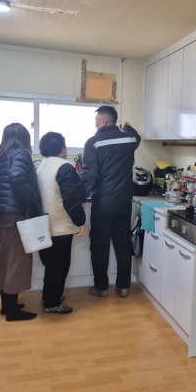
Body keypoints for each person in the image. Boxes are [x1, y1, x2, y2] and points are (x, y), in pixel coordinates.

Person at [80, 105, 141, 298]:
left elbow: (89, 173)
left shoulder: (93, 142)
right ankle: (123, 287)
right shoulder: (129, 139)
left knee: (100, 246)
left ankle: (101, 288)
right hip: (123, 202)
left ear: (104, 121)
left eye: (96, 120)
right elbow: (136, 136)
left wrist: (81, 197)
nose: (95, 124)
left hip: (102, 203)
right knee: (122, 244)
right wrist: (127, 126)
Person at [0, 123, 41, 321]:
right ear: (24, 137)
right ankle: (12, 313)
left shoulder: (1, 156)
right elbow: (17, 178)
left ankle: (7, 306)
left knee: (4, 260)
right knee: (16, 261)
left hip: (1, 215)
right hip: (15, 216)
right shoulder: (22, 153)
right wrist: (32, 199)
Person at [36, 132, 87, 314]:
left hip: (45, 223)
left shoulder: (43, 165)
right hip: (60, 225)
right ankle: (52, 303)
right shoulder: (64, 167)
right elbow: (71, 199)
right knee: (59, 266)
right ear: (62, 148)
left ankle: (49, 295)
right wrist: (81, 222)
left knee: (51, 265)